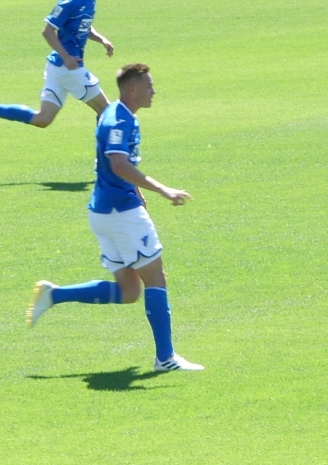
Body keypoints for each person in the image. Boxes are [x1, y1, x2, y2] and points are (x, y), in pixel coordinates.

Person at [26, 63, 201, 372]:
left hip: (103, 212)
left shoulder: (112, 114)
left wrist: (139, 191)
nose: (153, 91)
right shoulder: (120, 121)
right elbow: (119, 164)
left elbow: (116, 166)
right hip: (121, 213)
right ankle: (165, 358)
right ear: (132, 89)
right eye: (148, 86)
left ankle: (54, 295)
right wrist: (162, 189)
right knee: (156, 278)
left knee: (129, 291)